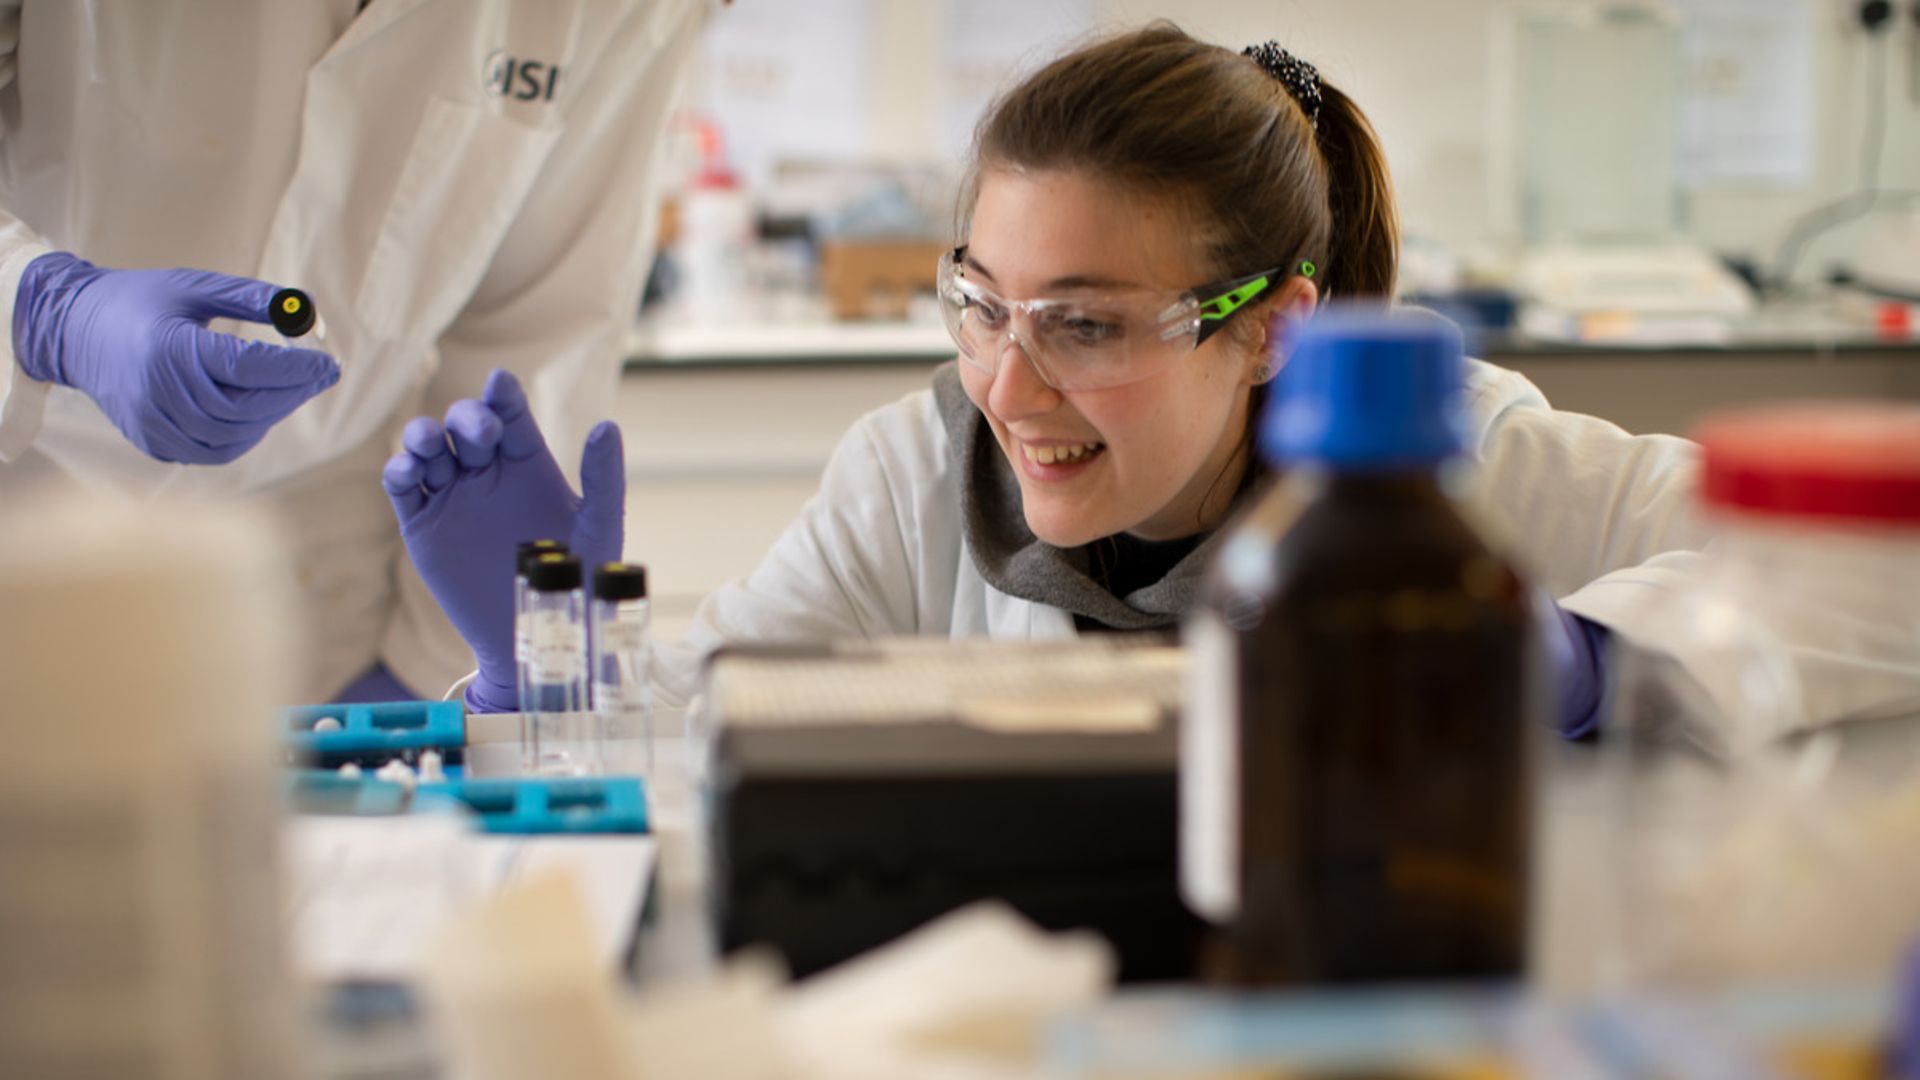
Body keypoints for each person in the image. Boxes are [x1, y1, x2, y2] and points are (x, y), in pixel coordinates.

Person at [386, 23, 1710, 728]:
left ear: (1272, 330)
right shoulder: (918, 479)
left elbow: (1862, 562)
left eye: (1082, 326)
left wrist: (1592, 661)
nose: (1005, 389)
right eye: (980, 305)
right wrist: (542, 667)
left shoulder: (1454, 470)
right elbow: (703, 726)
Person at [0, 0, 710, 704]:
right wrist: (40, 309)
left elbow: (542, 332)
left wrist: (433, 675)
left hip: (323, 599)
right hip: (26, 527)